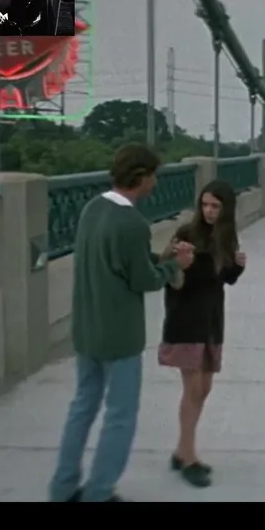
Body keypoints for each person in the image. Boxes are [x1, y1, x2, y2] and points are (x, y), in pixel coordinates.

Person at [48, 144, 195, 503]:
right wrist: (176, 266)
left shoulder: (92, 209)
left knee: (82, 407)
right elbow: (144, 280)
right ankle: (99, 492)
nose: (156, 183)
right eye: (154, 176)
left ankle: (63, 487)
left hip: (87, 330)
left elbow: (119, 260)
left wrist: (159, 257)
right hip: (119, 336)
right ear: (141, 176)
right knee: (120, 416)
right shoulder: (132, 223)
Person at [158, 180, 246, 488]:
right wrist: (179, 261)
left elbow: (223, 279)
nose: (209, 211)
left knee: (204, 388)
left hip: (211, 320)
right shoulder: (187, 234)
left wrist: (237, 267)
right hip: (186, 320)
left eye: (215, 206)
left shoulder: (226, 236)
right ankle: (188, 457)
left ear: (226, 209)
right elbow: (170, 277)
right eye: (205, 205)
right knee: (193, 388)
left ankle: (181, 450)